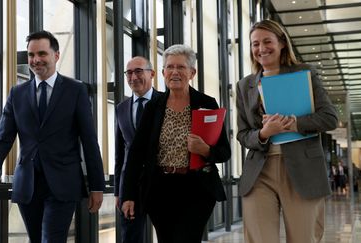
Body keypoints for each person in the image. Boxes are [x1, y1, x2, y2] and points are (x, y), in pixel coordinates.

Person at [0, 30, 105, 243]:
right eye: (31, 55)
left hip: (63, 184)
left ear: (56, 55)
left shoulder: (76, 90)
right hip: (28, 186)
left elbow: (89, 140)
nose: (36, 60)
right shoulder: (16, 94)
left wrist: (97, 185)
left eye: (42, 54)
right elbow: (2, 139)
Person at [236, 19, 338, 243]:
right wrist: (264, 132)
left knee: (303, 238)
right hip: (259, 173)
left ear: (281, 42)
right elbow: (243, 134)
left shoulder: (306, 74)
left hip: (302, 168)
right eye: (255, 44)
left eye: (267, 41)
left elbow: (330, 118)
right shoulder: (245, 86)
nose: (261, 49)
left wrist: (293, 123)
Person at [120, 44, 231, 243]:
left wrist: (205, 150)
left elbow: (224, 152)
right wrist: (128, 195)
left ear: (192, 72)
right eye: (170, 67)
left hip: (196, 188)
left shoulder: (207, 103)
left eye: (180, 67)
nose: (174, 72)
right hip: (159, 189)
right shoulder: (153, 107)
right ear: (162, 73)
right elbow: (136, 154)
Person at [114, 56, 162, 243]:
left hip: (160, 181)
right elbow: (120, 153)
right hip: (131, 186)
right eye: (129, 73)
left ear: (152, 74)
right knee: (130, 237)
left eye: (138, 71)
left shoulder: (165, 102)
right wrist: (119, 191)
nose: (133, 77)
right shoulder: (121, 108)